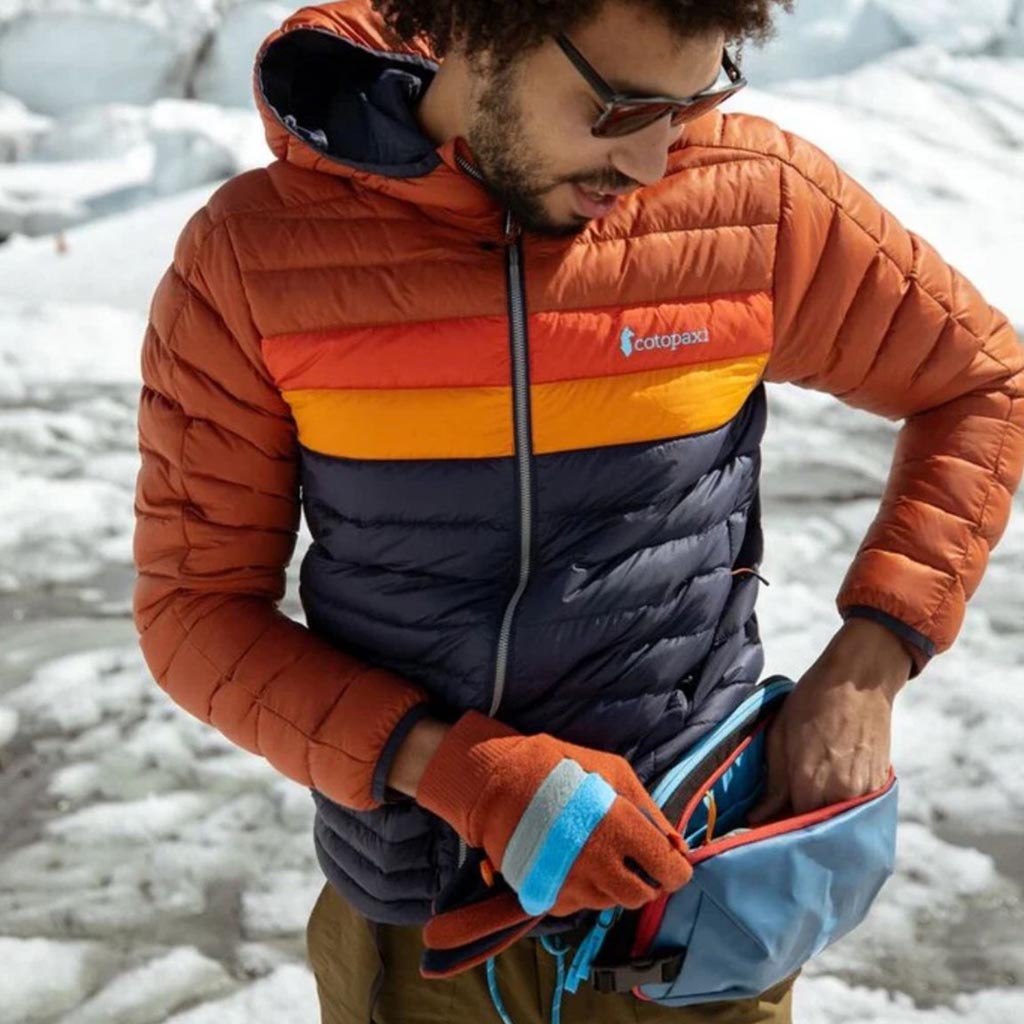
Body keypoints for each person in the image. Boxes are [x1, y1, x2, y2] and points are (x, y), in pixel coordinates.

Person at [131, 0, 1024, 1021]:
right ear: (479, 31)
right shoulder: (255, 261)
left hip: (688, 923)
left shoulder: (751, 208)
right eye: (617, 109)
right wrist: (459, 771)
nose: (649, 161)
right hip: (421, 946)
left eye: (687, 105)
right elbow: (194, 612)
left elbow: (982, 384)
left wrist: (868, 667)